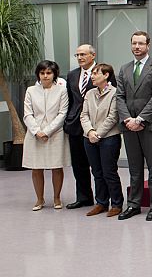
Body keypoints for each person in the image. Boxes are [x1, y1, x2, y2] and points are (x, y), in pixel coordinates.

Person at [116, 31, 152, 221]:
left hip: (150, 125)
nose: (137, 47)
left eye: (141, 44)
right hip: (128, 126)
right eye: (134, 43)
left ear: (148, 45)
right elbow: (120, 96)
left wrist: (140, 119)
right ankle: (134, 205)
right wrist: (128, 119)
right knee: (134, 168)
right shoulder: (124, 68)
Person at [22, 60, 70, 211]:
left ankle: (57, 198)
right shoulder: (30, 90)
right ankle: (39, 199)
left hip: (55, 133)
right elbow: (27, 114)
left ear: (54, 74)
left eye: (49, 73)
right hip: (34, 133)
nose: (45, 76)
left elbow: (62, 113)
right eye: (42, 73)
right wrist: (37, 131)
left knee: (56, 166)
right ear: (38, 75)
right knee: (36, 168)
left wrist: (47, 131)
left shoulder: (61, 91)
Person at [80, 63, 123, 217]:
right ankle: (101, 202)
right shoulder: (89, 93)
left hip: (109, 138)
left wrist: (98, 134)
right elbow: (83, 115)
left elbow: (113, 117)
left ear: (106, 75)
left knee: (109, 171)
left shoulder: (115, 93)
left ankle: (117, 203)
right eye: (92, 74)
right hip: (89, 137)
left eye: (96, 73)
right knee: (96, 172)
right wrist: (90, 131)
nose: (92, 76)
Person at [63, 44, 96, 210]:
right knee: (79, 165)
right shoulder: (72, 75)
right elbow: (70, 100)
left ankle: (104, 199)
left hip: (95, 125)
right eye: (77, 55)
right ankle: (84, 197)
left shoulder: (103, 72)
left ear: (93, 55)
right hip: (75, 125)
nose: (80, 58)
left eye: (83, 54)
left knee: (98, 166)